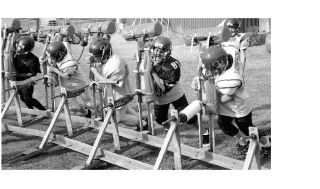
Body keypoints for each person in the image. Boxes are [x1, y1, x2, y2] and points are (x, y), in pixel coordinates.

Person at [195, 45, 271, 157]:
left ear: (220, 63)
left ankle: (267, 143)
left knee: (247, 129)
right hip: (229, 104)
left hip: (239, 105)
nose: (209, 70)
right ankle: (245, 141)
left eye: (212, 67)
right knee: (224, 124)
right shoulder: (229, 52)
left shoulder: (229, 78)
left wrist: (210, 100)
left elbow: (228, 97)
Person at [88, 38, 148, 130]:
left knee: (118, 117)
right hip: (118, 92)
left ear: (105, 53)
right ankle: (141, 120)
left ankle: (141, 123)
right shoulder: (112, 59)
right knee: (124, 109)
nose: (95, 58)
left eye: (97, 55)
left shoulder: (115, 64)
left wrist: (94, 71)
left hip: (120, 94)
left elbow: (107, 82)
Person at [149, 36, 197, 128]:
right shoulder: (149, 59)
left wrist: (153, 72)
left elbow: (163, 87)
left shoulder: (171, 66)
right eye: (156, 50)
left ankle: (204, 133)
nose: (158, 53)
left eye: (161, 51)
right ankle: (170, 131)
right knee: (160, 120)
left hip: (175, 94)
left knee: (189, 117)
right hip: (160, 98)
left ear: (167, 52)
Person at [45, 41, 92, 117]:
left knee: (90, 103)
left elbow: (67, 76)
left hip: (80, 84)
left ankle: (101, 114)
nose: (50, 59)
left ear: (59, 55)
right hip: (68, 87)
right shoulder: (64, 47)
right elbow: (63, 41)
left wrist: (54, 70)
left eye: (52, 57)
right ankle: (86, 112)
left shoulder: (68, 63)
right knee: (74, 108)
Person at [13, 36, 46, 111]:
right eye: (18, 46)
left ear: (26, 49)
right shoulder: (15, 54)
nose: (18, 48)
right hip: (18, 81)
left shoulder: (33, 59)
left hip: (27, 81)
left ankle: (41, 110)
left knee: (28, 98)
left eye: (21, 47)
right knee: (22, 98)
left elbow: (33, 73)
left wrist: (19, 75)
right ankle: (32, 110)